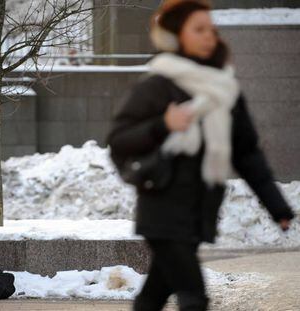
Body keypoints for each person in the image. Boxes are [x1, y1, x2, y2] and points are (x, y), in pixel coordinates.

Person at [107, 1, 295, 310]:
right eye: (199, 29)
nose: (210, 36)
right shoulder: (159, 85)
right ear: (174, 36)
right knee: (195, 296)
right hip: (162, 208)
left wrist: (277, 206)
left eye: (212, 29)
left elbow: (247, 154)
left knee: (155, 292)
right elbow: (119, 139)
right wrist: (162, 125)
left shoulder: (225, 90)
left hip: (199, 210)